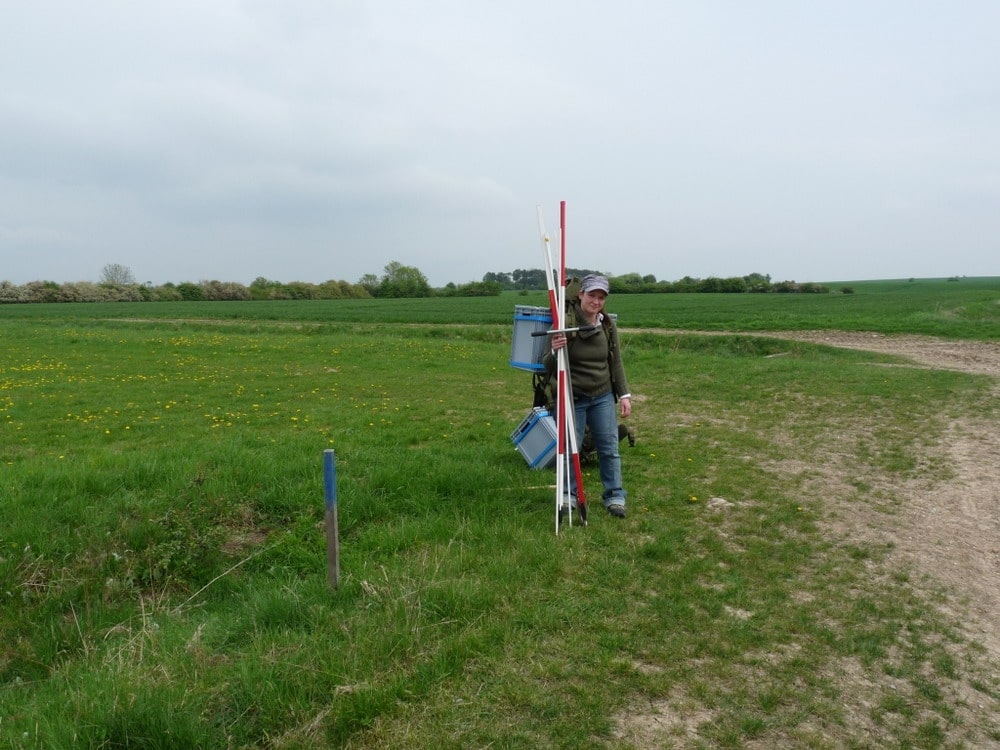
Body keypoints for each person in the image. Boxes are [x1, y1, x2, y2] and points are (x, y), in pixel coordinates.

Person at [546, 274, 633, 519]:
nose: (596, 301)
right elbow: (546, 365)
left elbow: (615, 362)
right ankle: (568, 495)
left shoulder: (606, 324)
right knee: (568, 448)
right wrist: (555, 350)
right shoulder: (563, 322)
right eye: (592, 295)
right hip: (572, 396)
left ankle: (615, 496)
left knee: (609, 447)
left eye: (601, 297)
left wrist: (624, 394)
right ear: (580, 294)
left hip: (602, 394)